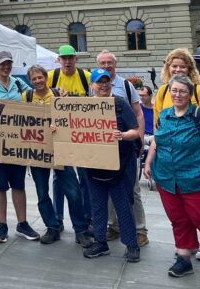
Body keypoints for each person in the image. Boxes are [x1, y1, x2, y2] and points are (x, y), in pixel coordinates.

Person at [144, 74, 200, 287]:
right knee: (179, 220)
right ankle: (184, 258)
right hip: (167, 179)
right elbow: (157, 141)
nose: (177, 94)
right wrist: (148, 163)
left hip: (197, 178)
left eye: (182, 91)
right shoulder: (164, 115)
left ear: (190, 94)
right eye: (174, 91)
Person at [21, 65, 95, 247]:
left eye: (40, 77)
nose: (38, 81)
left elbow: (69, 118)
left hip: (61, 150)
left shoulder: (58, 94)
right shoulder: (27, 97)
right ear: (30, 81)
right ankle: (52, 227)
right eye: (34, 79)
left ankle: (81, 230)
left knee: (73, 191)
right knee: (41, 193)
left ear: (46, 78)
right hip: (38, 152)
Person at [0, 50, 40, 243]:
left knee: (18, 184)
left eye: (9, 63)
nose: (6, 67)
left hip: (18, 144)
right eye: (2, 63)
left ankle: (22, 223)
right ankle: (2, 224)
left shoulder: (20, 84)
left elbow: (33, 104)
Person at [79, 69, 142, 263]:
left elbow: (136, 130)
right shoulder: (84, 106)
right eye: (99, 82)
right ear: (92, 85)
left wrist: (122, 135)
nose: (104, 85)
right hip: (94, 164)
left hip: (121, 164)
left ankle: (131, 245)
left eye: (106, 82)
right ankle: (100, 242)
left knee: (123, 204)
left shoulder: (120, 104)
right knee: (98, 205)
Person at [96, 50, 149, 247]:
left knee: (132, 189)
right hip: (104, 148)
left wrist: (140, 138)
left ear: (115, 65)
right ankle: (113, 226)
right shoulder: (93, 87)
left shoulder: (126, 86)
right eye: (103, 63)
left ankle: (140, 229)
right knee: (107, 187)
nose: (106, 66)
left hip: (126, 146)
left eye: (109, 62)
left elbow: (139, 113)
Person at [47, 44, 92, 234]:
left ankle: (87, 218)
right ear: (58, 60)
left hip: (81, 136)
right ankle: (58, 218)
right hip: (59, 137)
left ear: (76, 59)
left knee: (85, 177)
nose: (67, 62)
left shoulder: (86, 77)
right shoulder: (51, 77)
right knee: (59, 178)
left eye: (70, 58)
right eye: (63, 58)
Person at [153, 48, 200, 128]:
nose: (178, 70)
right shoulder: (163, 90)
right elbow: (157, 121)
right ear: (168, 68)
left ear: (189, 69)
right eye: (174, 66)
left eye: (183, 67)